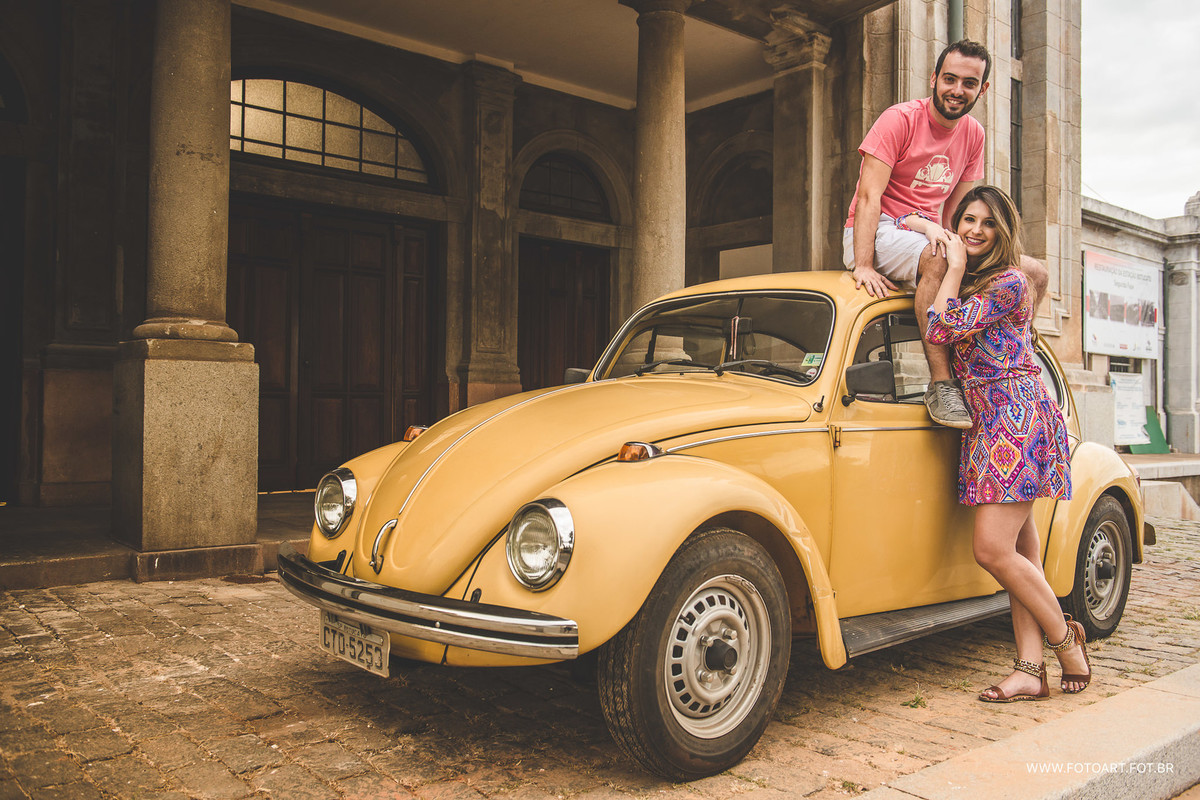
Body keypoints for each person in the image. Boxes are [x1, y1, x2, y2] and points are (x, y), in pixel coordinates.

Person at [924, 185, 1090, 702]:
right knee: (1021, 551)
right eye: (966, 220)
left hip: (1015, 418)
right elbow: (908, 219)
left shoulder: (1010, 283)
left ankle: (1068, 642)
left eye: (987, 223)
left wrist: (949, 267)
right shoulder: (984, 284)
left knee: (991, 549)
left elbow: (939, 325)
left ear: (1003, 232)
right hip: (991, 420)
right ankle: (1028, 669)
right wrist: (929, 230)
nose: (974, 231)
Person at [842, 39, 1047, 429]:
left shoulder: (973, 134)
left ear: (982, 89)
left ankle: (1012, 358)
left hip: (932, 233)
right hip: (877, 230)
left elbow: (957, 208)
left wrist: (964, 247)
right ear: (934, 78)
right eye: (949, 79)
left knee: (1035, 273)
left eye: (968, 83)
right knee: (936, 257)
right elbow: (869, 195)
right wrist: (863, 263)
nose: (957, 90)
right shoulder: (899, 119)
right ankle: (941, 384)